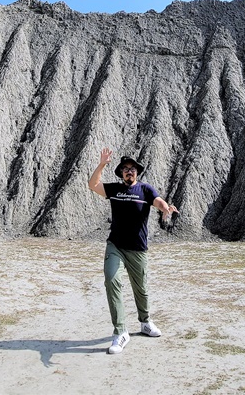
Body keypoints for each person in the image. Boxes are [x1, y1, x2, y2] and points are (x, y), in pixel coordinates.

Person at [88, 147, 179, 354]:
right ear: (121, 173)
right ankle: (120, 332)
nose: (130, 172)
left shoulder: (145, 190)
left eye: (133, 169)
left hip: (138, 249)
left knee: (142, 289)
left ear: (137, 173)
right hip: (116, 246)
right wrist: (102, 164)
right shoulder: (115, 190)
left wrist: (165, 208)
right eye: (126, 169)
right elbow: (92, 185)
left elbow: (158, 201)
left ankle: (145, 322)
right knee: (112, 280)